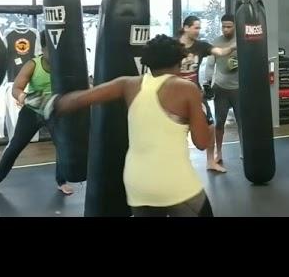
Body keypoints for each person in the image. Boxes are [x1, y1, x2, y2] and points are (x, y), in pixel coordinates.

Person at [46, 35, 214, 217]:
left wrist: (54, 103)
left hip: (137, 184)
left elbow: (79, 99)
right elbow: (201, 142)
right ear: (179, 61)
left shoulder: (128, 84)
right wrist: (206, 120)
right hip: (173, 183)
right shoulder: (187, 88)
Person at [0, 32, 74, 196]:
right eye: (50, 51)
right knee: (15, 146)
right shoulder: (33, 65)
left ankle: (61, 182)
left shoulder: (65, 65)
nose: (54, 55)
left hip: (55, 112)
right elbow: (16, 88)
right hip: (33, 111)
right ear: (43, 49)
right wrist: (23, 97)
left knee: (63, 146)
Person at [179, 15, 236, 173]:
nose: (198, 31)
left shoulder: (201, 46)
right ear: (186, 28)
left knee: (210, 126)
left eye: (199, 28)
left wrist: (233, 47)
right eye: (196, 27)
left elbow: (219, 52)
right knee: (179, 130)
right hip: (177, 94)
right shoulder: (174, 46)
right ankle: (180, 163)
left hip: (196, 94)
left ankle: (211, 161)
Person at [204, 14, 242, 164]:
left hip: (239, 89)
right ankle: (218, 152)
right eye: (223, 26)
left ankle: (244, 150)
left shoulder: (242, 41)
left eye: (229, 26)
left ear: (235, 26)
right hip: (221, 89)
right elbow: (210, 64)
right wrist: (206, 82)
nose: (225, 29)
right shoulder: (216, 42)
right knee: (219, 122)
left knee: (242, 123)